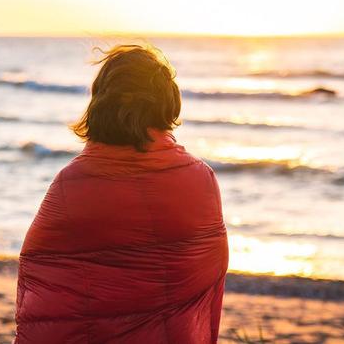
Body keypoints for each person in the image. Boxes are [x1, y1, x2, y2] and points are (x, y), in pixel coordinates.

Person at [15, 45, 228, 343]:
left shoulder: (73, 183)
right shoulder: (200, 179)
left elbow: (42, 275)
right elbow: (208, 275)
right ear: (168, 102)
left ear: (101, 102)